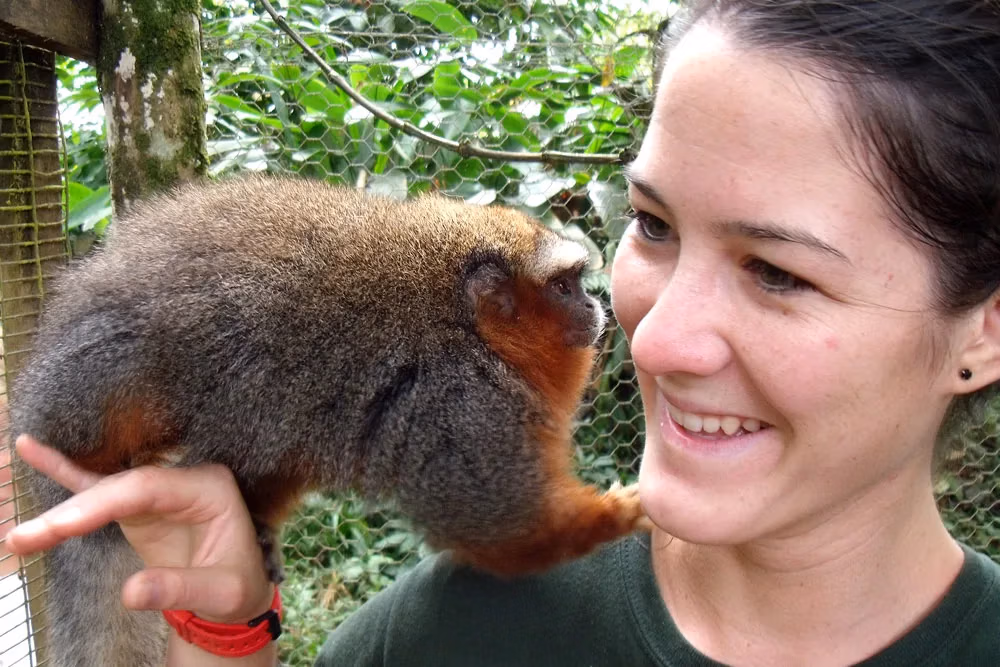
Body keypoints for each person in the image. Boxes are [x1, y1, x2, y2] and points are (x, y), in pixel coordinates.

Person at [6, 0, 1000, 664]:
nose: (650, 342)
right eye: (652, 226)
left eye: (778, 273)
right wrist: (219, 631)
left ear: (984, 330)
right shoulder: (457, 630)